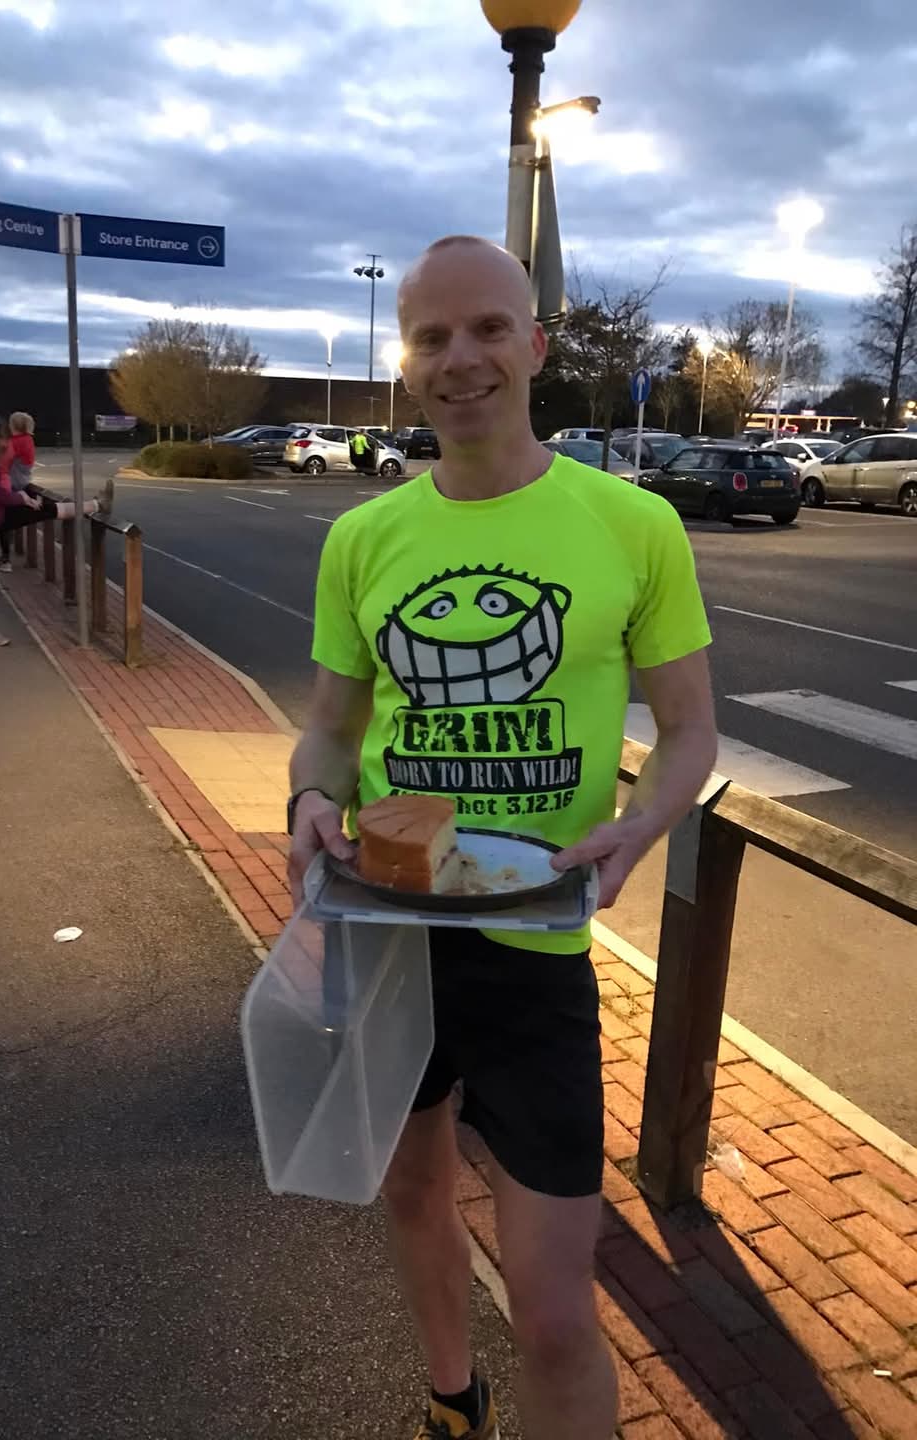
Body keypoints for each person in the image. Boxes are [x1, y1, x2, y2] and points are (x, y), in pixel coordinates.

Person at [286, 236, 717, 1440]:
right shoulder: (363, 540)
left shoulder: (633, 526)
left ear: (534, 346)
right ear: (406, 361)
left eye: (487, 330)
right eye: (431, 336)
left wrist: (639, 828)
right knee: (415, 1191)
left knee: (556, 1312)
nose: (459, 357)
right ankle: (451, 1401)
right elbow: (330, 728)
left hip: (536, 950)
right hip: (386, 928)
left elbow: (689, 732)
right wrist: (309, 805)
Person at [0, 409, 113, 646]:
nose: (4, 441)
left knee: (41, 511)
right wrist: (22, 498)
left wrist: (22, 498)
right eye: (1, 436)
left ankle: (95, 505)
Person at [0, 410, 37, 573]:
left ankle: (6, 559)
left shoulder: (16, 441)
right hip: (22, 479)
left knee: (3, 522)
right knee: (9, 520)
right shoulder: (28, 439)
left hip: (13, 481)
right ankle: (7, 555)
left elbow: (3, 460)